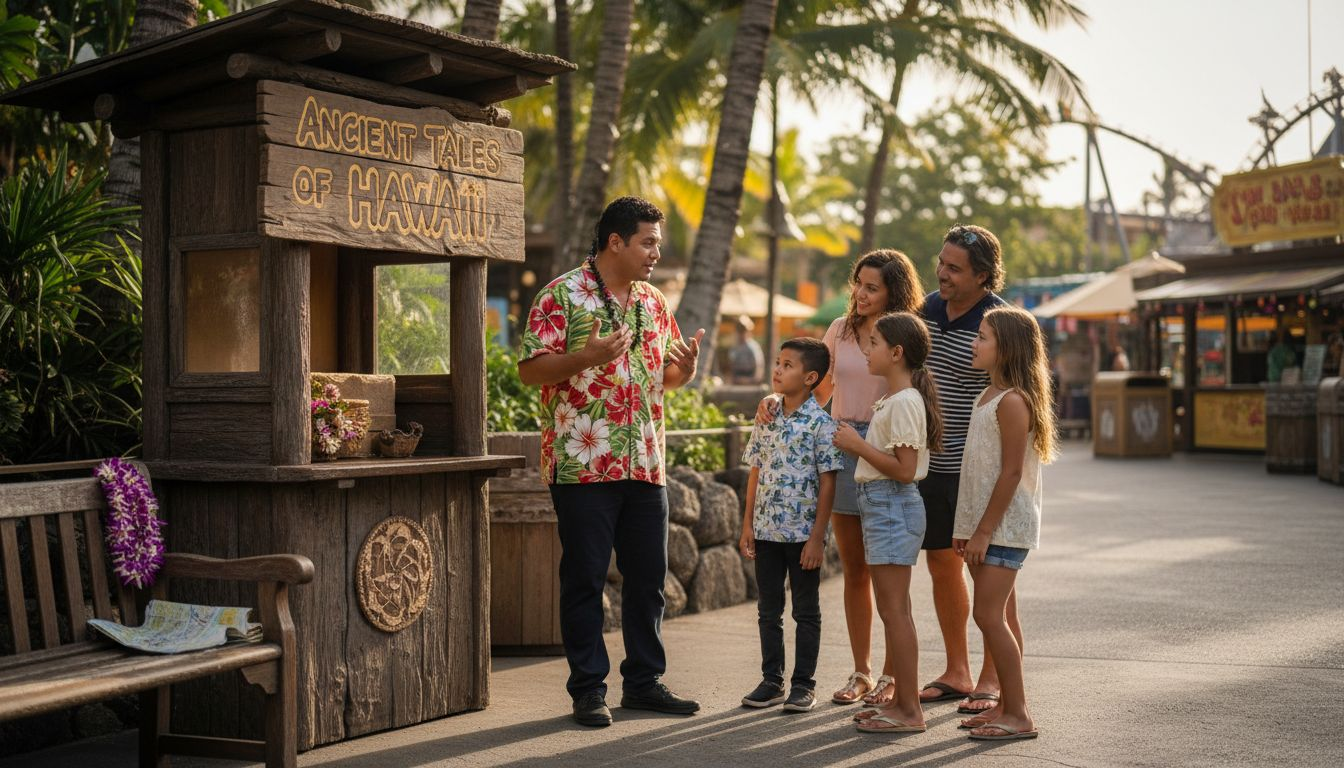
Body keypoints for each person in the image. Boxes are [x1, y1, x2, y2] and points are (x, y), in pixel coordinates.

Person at [518, 196, 706, 728]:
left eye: (658, 242)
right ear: (615, 242)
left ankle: (644, 683)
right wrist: (585, 357)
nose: (655, 252)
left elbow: (660, 380)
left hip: (645, 461)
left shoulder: (653, 301)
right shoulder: (562, 295)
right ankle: (588, 690)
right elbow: (530, 371)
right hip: (583, 464)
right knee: (585, 577)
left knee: (648, 578)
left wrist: (684, 373)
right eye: (647, 241)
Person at [755, 250, 924, 708]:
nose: (861, 294)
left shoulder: (902, 332)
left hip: (886, 447)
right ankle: (862, 673)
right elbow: (812, 385)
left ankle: (893, 675)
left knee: (889, 570)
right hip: (840, 439)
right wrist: (774, 396)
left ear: (894, 292)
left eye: (873, 287)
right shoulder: (840, 330)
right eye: (859, 284)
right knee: (855, 569)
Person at [834, 312, 943, 734]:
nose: (866, 349)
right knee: (893, 609)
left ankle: (909, 710)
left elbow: (904, 468)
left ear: (896, 353)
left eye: (875, 343)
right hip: (882, 506)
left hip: (891, 505)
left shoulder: (904, 402)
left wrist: (857, 445)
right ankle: (903, 702)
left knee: (895, 612)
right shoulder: (897, 399)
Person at [952, 305, 1057, 741]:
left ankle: (1019, 714)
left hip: (1003, 528)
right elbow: (976, 468)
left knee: (988, 615)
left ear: (1006, 347)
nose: (974, 343)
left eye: (982, 337)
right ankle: (1006, 708)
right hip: (982, 526)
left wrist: (981, 530)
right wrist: (965, 526)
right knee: (1000, 616)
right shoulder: (986, 396)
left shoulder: (1013, 401)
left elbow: (1011, 473)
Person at [918, 224, 1010, 714]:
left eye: (955, 268)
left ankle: (992, 678)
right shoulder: (928, 308)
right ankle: (957, 669)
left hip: (978, 469)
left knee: (991, 574)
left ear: (983, 276)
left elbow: (1022, 393)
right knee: (940, 564)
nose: (943, 273)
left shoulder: (1000, 320)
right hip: (931, 463)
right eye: (941, 262)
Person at [737, 338, 846, 713]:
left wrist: (818, 538)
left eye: (787, 365)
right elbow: (755, 471)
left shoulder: (821, 425)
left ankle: (803, 684)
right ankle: (772, 680)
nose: (778, 370)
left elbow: (829, 481)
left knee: (805, 612)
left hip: (803, 538)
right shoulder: (765, 418)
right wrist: (747, 524)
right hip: (765, 532)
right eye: (778, 362)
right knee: (768, 609)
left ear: (811, 377)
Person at [729, 315, 766, 384]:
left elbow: (758, 368)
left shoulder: (753, 346)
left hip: (751, 384)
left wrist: (751, 381)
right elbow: (732, 366)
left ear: (748, 331)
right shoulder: (735, 347)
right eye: (739, 329)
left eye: (743, 329)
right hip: (737, 384)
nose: (740, 332)